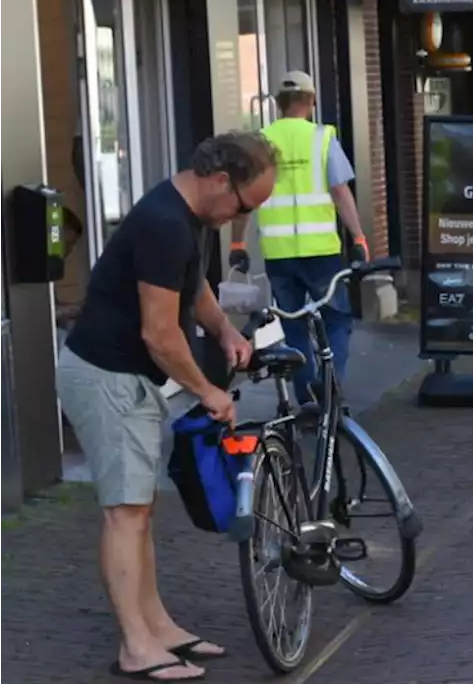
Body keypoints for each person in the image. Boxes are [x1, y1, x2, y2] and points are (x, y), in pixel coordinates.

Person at [56, 132, 275, 681]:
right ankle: (136, 646)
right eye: (245, 206)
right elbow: (159, 334)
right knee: (124, 512)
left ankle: (158, 627)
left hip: (131, 377)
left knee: (139, 507)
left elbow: (194, 282)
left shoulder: (190, 219)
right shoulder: (163, 224)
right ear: (221, 181)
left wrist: (223, 328)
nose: (239, 219)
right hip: (108, 377)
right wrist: (207, 390)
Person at [230, 71, 368, 402]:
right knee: (336, 320)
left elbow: (245, 199)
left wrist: (237, 243)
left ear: (278, 104)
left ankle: (306, 399)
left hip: (279, 255)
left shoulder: (260, 142)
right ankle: (329, 385)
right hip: (321, 252)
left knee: (292, 327)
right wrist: (359, 238)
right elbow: (340, 192)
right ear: (311, 100)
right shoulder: (321, 138)